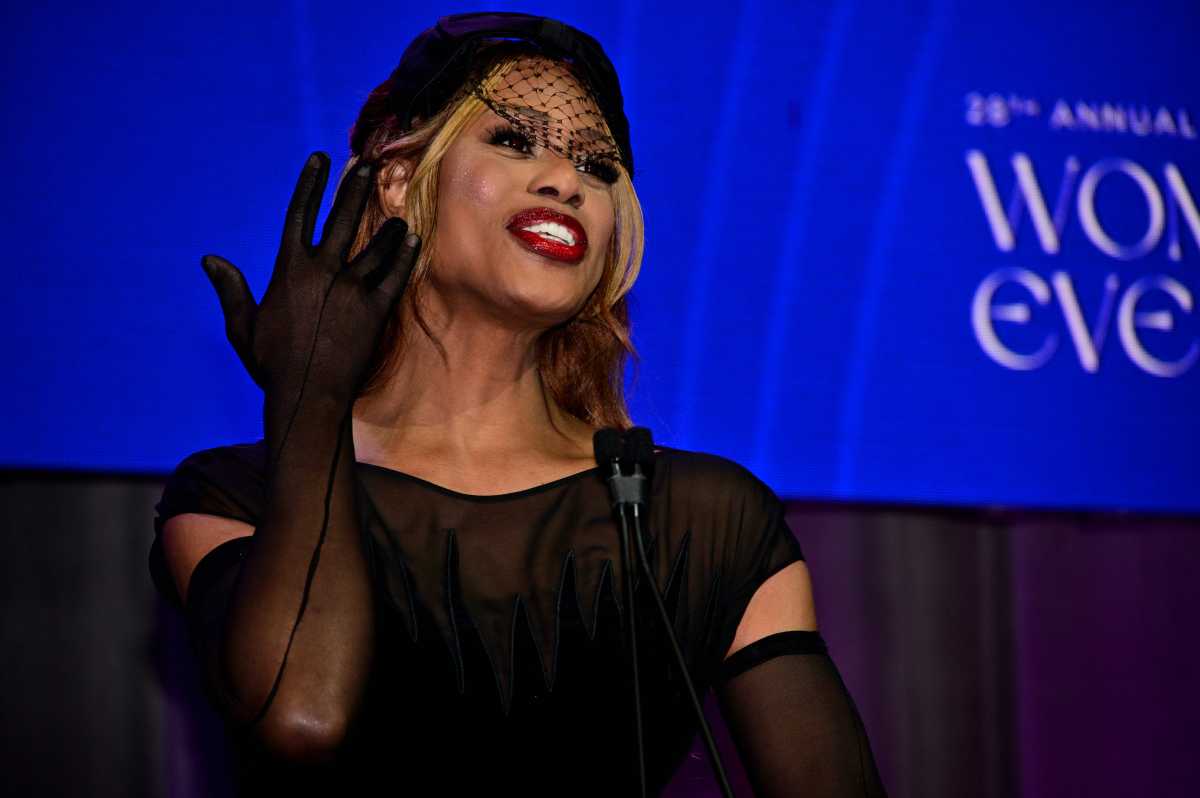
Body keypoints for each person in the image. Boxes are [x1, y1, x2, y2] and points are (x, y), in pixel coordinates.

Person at [149, 11, 885, 796]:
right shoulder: (234, 498)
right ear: (400, 182)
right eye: (513, 140)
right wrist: (310, 401)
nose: (567, 181)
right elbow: (302, 717)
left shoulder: (704, 519)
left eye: (599, 169)